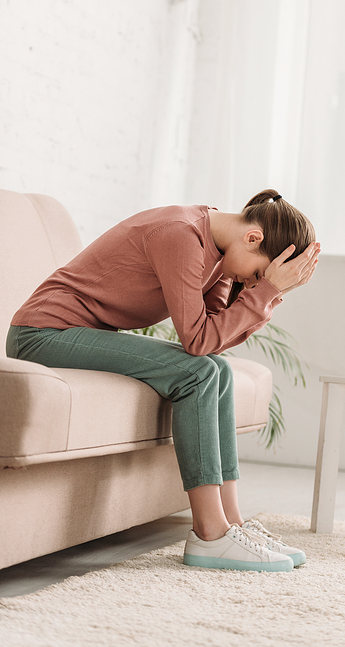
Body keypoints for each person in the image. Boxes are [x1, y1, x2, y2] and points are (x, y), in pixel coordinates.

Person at [6, 189, 320, 572]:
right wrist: (267, 293)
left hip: (81, 333)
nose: (251, 285)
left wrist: (267, 295)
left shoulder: (221, 253)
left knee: (216, 371)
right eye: (256, 275)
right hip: (43, 333)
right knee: (199, 373)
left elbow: (213, 343)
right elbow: (197, 339)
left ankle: (232, 523)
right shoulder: (181, 234)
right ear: (253, 238)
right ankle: (210, 534)